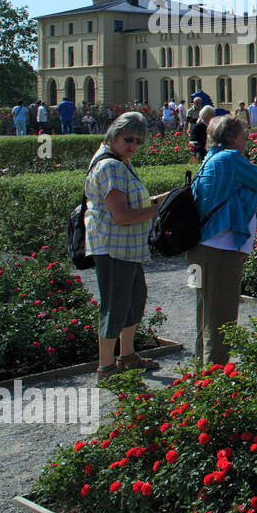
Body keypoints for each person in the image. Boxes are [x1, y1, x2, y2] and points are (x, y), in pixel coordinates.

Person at [86, 111, 168, 383]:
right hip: (113, 247)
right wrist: (156, 210)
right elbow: (121, 215)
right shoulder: (111, 166)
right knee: (115, 304)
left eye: (138, 141)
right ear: (113, 135)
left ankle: (127, 355)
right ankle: (106, 367)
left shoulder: (120, 162)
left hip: (126, 247)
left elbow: (132, 205)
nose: (133, 145)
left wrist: (163, 199)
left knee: (134, 298)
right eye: (128, 138)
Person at [189, 115, 257, 368]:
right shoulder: (230, 159)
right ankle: (214, 385)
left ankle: (200, 372)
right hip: (221, 250)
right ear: (232, 138)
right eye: (244, 136)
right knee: (222, 319)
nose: (246, 141)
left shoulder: (210, 159)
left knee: (204, 314)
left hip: (199, 250)